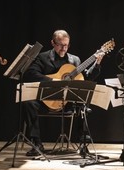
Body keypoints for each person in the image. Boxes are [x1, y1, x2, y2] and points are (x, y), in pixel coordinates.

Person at [22, 29, 104, 157]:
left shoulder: (74, 60)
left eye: (66, 45)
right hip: (47, 99)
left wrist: (97, 63)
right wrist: (52, 80)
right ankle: (36, 143)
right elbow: (31, 74)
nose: (63, 48)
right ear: (53, 43)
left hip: (67, 102)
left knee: (83, 102)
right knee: (29, 103)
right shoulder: (42, 57)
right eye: (60, 45)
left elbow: (86, 77)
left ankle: (83, 143)